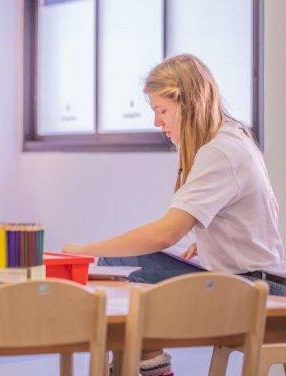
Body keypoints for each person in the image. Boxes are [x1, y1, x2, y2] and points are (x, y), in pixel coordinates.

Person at [63, 54, 285, 376]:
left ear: (190, 104)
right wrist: (213, 246)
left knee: (123, 266)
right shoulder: (230, 139)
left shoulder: (220, 152)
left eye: (162, 111)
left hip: (253, 290)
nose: (157, 122)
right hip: (249, 280)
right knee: (128, 272)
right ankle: (143, 364)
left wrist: (86, 250)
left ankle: (135, 366)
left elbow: (166, 233)